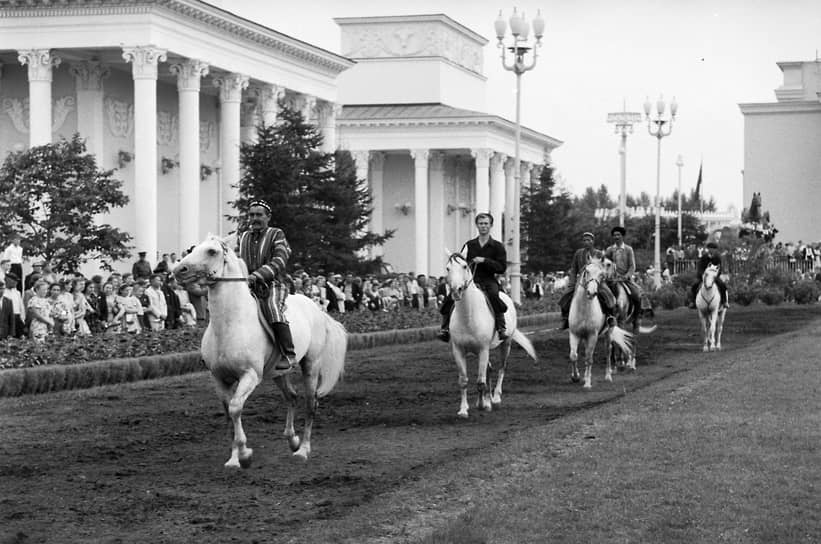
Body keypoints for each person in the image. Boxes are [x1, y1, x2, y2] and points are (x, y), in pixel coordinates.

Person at [238, 200, 295, 373]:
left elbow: (280, 259)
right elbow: (236, 260)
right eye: (251, 215)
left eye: (259, 215)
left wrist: (258, 275)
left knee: (272, 308)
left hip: (273, 284)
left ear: (268, 217)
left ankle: (288, 353)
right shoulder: (244, 236)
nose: (254, 218)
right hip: (248, 286)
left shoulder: (277, 234)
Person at [437, 212, 508, 342]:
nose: (483, 226)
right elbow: (460, 262)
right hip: (469, 281)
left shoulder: (498, 246)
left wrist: (485, 261)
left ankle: (501, 327)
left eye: (486, 223)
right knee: (450, 298)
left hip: (488, 280)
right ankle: (445, 329)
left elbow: (502, 267)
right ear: (477, 225)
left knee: (493, 295)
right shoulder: (469, 245)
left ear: (491, 225)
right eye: (481, 224)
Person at [557, 231, 617, 330]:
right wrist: (572, 282)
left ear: (592, 241)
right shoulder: (578, 253)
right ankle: (565, 318)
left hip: (596, 281)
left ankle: (610, 317)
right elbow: (573, 269)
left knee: (608, 294)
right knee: (565, 295)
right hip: (581, 281)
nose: (586, 242)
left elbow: (603, 269)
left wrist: (601, 279)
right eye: (584, 240)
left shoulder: (598, 254)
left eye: (588, 240)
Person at [604, 226, 643, 326]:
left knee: (637, 294)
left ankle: (636, 319)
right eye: (614, 235)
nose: (616, 237)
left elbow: (632, 266)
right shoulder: (610, 250)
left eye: (618, 235)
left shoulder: (628, 249)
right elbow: (605, 262)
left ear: (622, 236)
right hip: (612, 279)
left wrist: (627, 276)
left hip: (625, 279)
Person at [689, 241, 729, 309]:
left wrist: (715, 275)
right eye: (711, 248)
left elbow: (719, 268)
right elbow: (700, 267)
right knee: (694, 285)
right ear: (708, 249)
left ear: (715, 250)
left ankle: (724, 301)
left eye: (714, 249)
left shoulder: (717, 258)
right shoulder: (704, 257)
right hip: (704, 276)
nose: (712, 250)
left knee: (723, 285)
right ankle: (693, 302)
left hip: (714, 276)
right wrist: (702, 275)